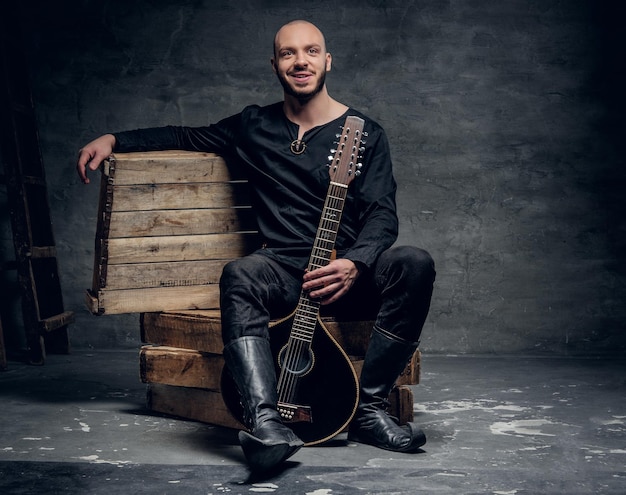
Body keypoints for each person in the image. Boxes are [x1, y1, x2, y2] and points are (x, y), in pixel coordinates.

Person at [77, 20, 435, 473]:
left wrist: (355, 263)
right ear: (274, 64)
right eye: (288, 53)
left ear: (327, 61)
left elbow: (383, 216)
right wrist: (113, 140)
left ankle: (369, 410)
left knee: (414, 263)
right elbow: (184, 136)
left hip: (345, 277)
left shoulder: (365, 133)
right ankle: (266, 422)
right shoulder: (253, 126)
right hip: (284, 273)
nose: (300, 61)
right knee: (239, 272)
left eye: (310, 51)